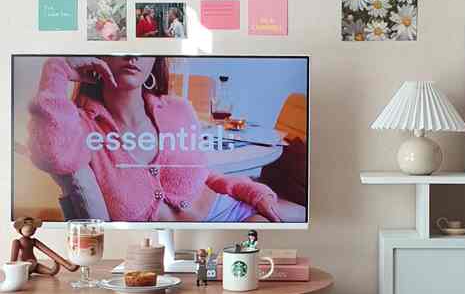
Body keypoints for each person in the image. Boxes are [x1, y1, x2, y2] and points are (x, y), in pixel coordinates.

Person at [28, 56, 303, 223]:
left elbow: (204, 175)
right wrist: (56, 70)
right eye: (119, 46)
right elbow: (53, 156)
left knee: (312, 221)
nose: (132, 55)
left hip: (234, 216)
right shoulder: (83, 127)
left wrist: (254, 192)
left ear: (154, 62)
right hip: (186, 249)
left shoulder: (178, 110)